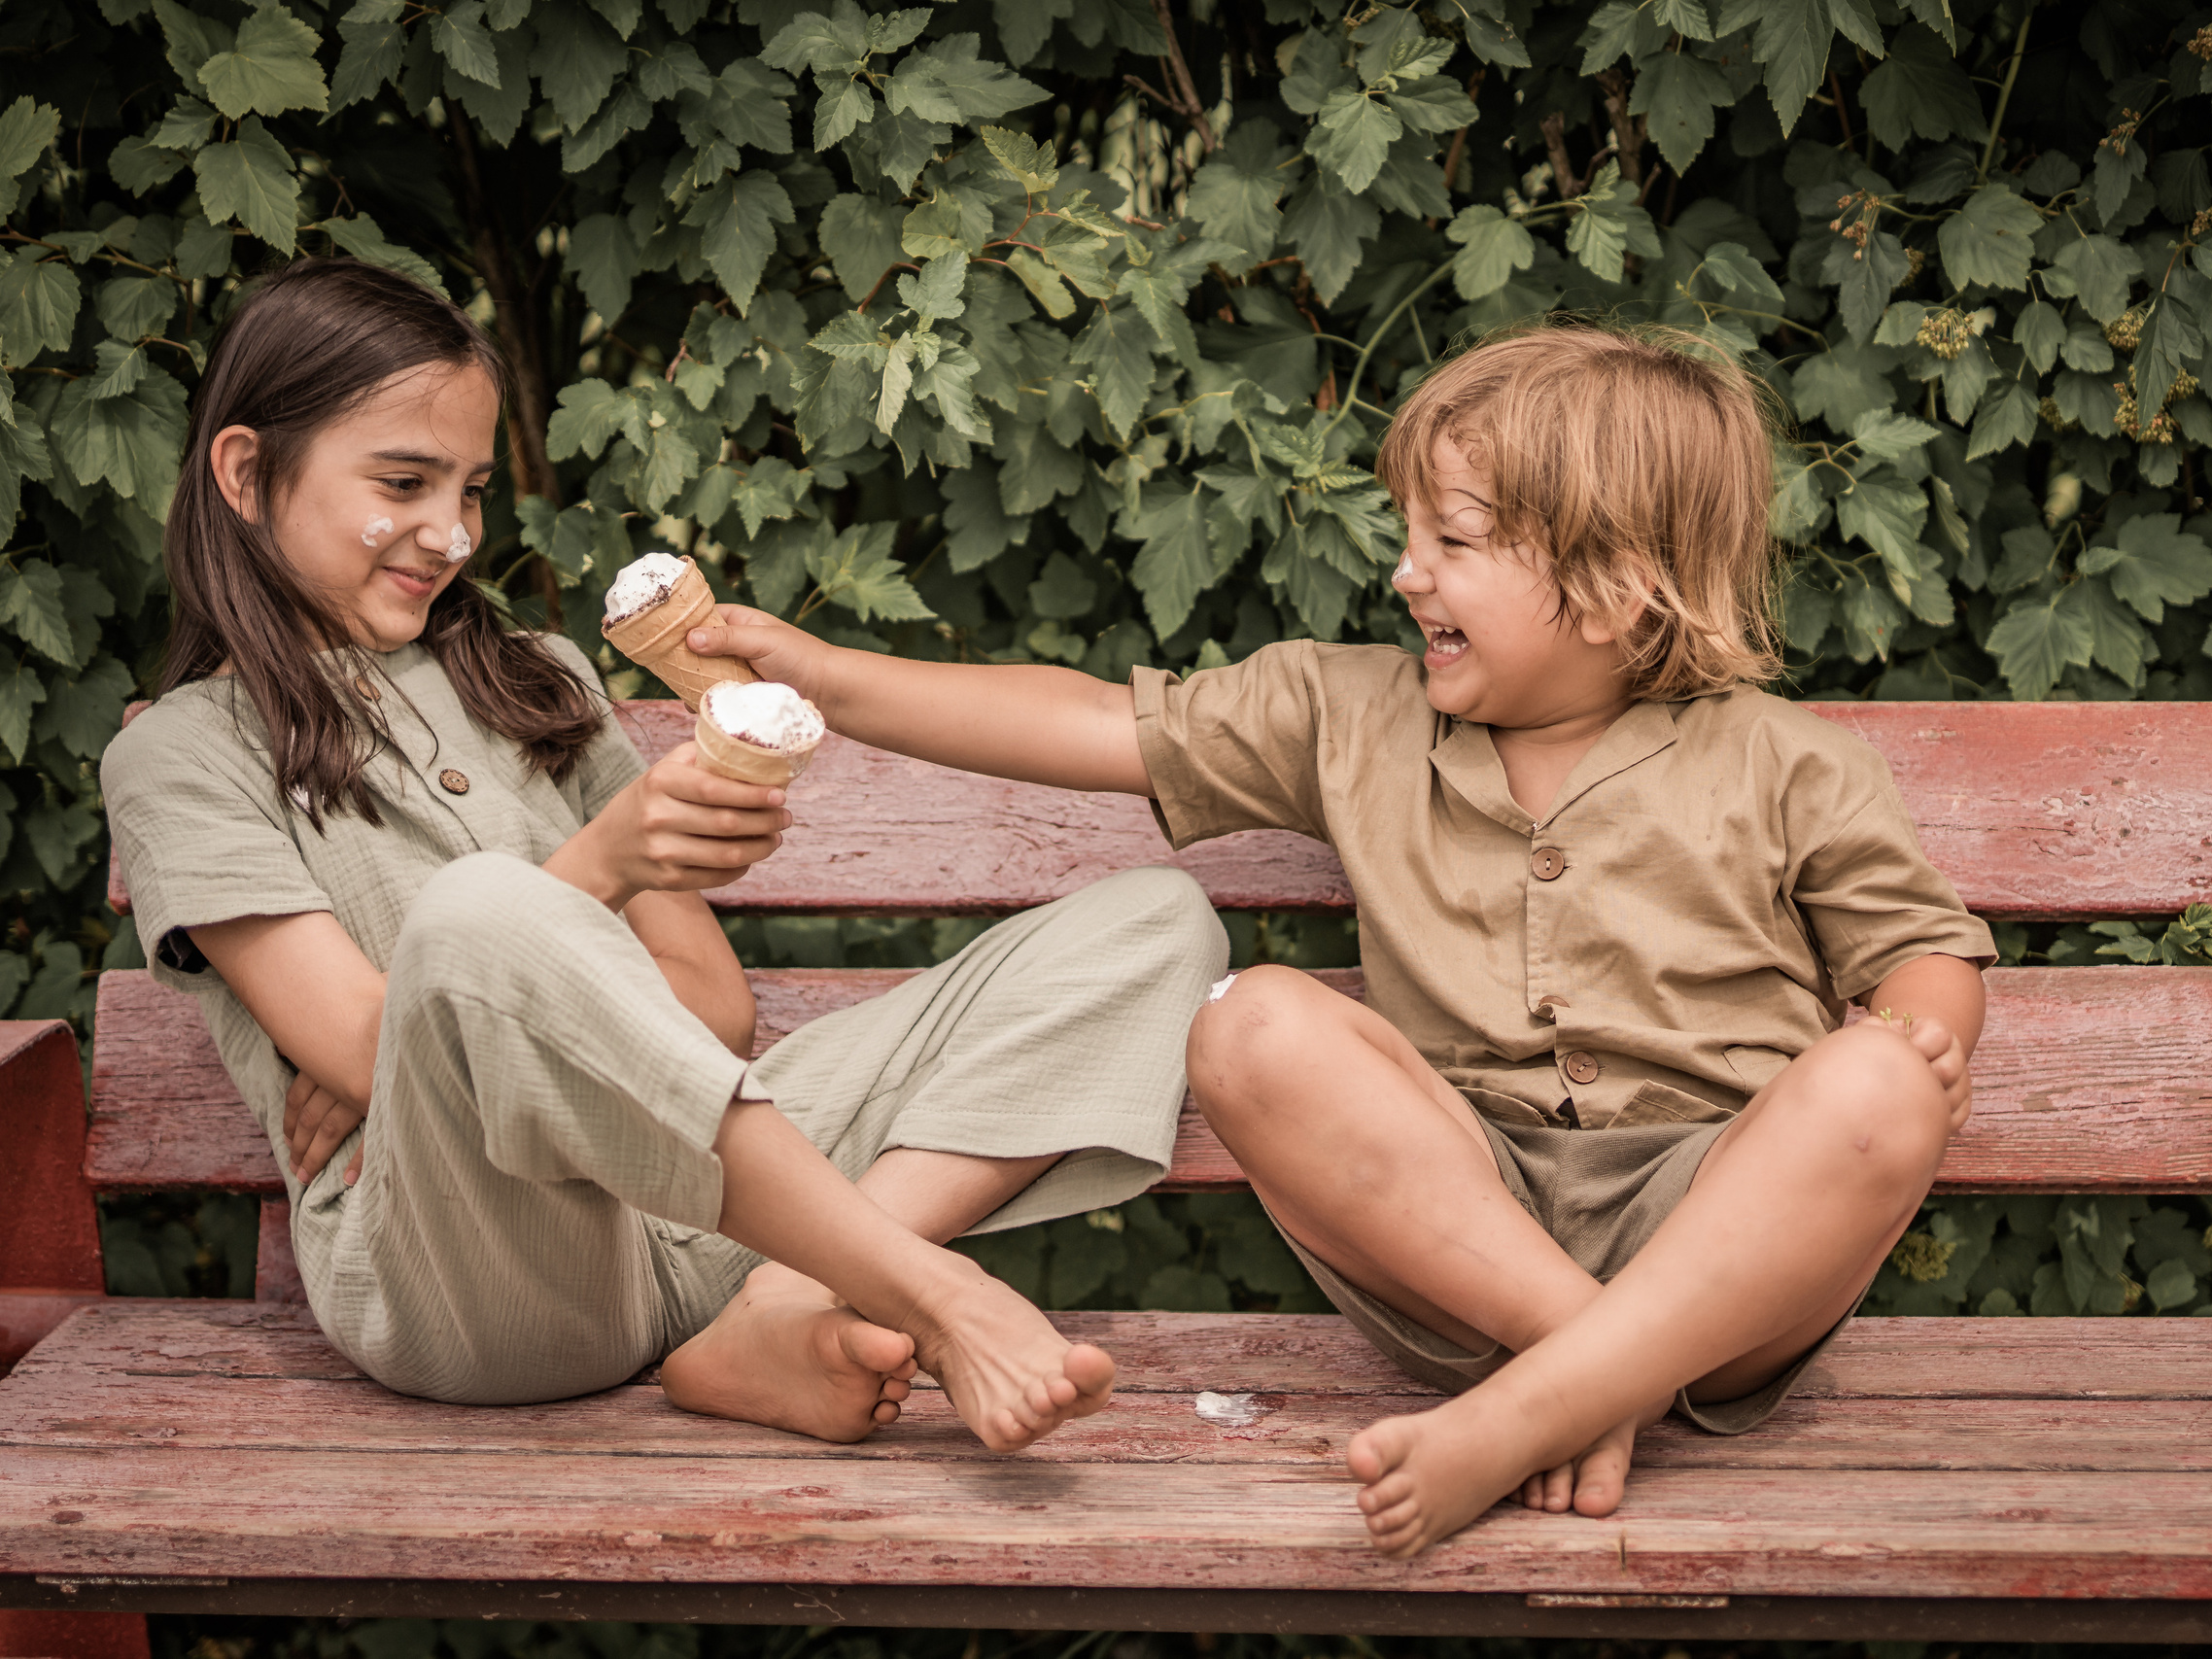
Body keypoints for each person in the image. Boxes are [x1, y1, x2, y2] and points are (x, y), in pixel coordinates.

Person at [682, 320, 1995, 1554]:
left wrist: (1918, 1025)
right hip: (1459, 1229)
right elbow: (1090, 722)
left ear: (1609, 583)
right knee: (1251, 1021)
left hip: (1723, 1237)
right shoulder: (1346, 713)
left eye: (1454, 539)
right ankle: (1581, 1368)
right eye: (1409, 531)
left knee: (1880, 1074)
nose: (1405, 569)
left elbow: (1921, 952)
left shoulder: (1790, 763)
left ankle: (1562, 1387)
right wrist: (827, 677)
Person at [99, 258, 1229, 1449]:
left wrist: (458, 1007)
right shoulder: (182, 757)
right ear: (243, 471)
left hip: (701, 1224)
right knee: (477, 915)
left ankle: (780, 1305)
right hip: (478, 1280)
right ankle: (928, 1287)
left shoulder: (537, 680)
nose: (451, 533)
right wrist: (576, 887)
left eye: (473, 489)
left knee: (1158, 920)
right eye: (404, 480)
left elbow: (714, 1015)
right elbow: (367, 1051)